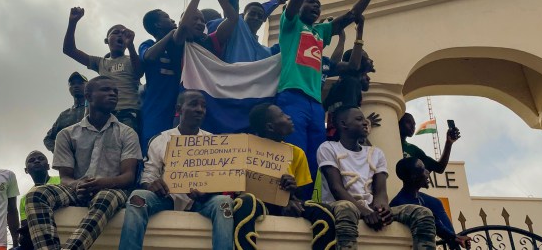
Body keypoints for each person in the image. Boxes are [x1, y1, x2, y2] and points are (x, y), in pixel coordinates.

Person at [276, 0, 388, 195]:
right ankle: (289, 200)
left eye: (318, 5)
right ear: (298, 4)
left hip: (316, 104)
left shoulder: (319, 33)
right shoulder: (291, 25)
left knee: (317, 157)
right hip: (291, 97)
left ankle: (307, 202)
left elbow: (351, 15)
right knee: (295, 152)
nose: (315, 6)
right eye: (310, 3)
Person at [25, 75, 142, 250]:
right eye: (106, 90)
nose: (113, 94)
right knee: (36, 194)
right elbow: (65, 178)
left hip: (112, 189)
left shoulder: (127, 133)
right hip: (76, 190)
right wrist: (78, 185)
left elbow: (128, 177)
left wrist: (102, 183)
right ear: (88, 96)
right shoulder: (66, 134)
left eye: (115, 91)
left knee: (106, 196)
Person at [118, 91, 233, 250]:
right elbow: (148, 177)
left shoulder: (214, 142)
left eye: (203, 106)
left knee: (224, 203)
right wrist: (152, 186)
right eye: (193, 104)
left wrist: (208, 193)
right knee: (138, 197)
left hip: (201, 202)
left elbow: (220, 181)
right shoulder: (160, 140)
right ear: (179, 109)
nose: (200, 109)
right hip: (166, 199)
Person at [318, 106, 437, 250]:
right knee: (346, 207)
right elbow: (336, 188)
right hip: (341, 206)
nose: (365, 122)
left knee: (422, 213)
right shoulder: (328, 148)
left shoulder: (376, 153)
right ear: (343, 124)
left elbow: (380, 191)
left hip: (370, 209)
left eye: (364, 119)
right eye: (359, 119)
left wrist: (381, 208)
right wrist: (364, 211)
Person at [233, 103, 337, 250]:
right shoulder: (246, 150)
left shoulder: (296, 153)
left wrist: (293, 188)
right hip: (259, 204)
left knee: (324, 211)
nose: (288, 117)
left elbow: (301, 192)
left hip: (287, 203)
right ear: (270, 127)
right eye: (282, 115)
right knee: (245, 202)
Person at [63, 8, 143, 133]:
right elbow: (69, 50)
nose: (121, 35)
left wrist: (131, 46)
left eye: (124, 33)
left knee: (125, 147)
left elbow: (139, 73)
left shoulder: (131, 59)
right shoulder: (100, 62)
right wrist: (72, 22)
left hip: (128, 113)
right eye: (116, 33)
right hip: (104, 114)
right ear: (107, 40)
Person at [391, 157, 471, 249]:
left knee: (435, 203)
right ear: (414, 176)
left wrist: (454, 237)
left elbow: (435, 221)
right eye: (423, 169)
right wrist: (453, 237)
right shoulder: (400, 203)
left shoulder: (429, 201)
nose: (427, 171)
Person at [139, 7, 180, 151]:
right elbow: (149, 57)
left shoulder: (179, 45)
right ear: (158, 25)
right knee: (152, 146)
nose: (173, 20)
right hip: (155, 106)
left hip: (177, 106)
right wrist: (170, 34)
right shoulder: (147, 44)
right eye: (167, 17)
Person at [16, 151, 61, 249]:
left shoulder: (61, 181)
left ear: (48, 166)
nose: (36, 161)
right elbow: (25, 226)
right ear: (26, 170)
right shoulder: (25, 199)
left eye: (41, 159)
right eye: (31, 160)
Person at [44, 72, 89, 152]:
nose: (76, 86)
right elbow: (48, 139)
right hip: (70, 162)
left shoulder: (96, 108)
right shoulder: (64, 115)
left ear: (88, 86)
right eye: (72, 84)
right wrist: (61, 151)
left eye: (80, 83)